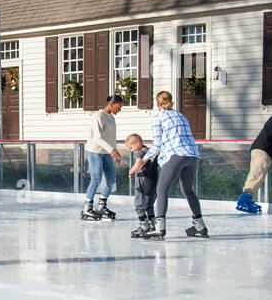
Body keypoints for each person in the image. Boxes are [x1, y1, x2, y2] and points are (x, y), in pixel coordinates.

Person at [128, 90, 206, 240]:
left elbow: (157, 145)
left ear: (157, 104)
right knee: (187, 189)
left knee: (161, 189)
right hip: (193, 155)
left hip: (176, 154)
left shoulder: (158, 117)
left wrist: (145, 160)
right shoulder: (181, 115)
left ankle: (159, 227)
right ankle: (200, 224)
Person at [82, 95, 123, 220]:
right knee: (96, 179)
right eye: (119, 106)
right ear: (111, 104)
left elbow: (110, 138)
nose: (120, 109)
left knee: (111, 180)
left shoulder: (111, 117)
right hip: (95, 151)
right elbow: (98, 138)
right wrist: (112, 150)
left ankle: (102, 205)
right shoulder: (98, 116)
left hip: (106, 152)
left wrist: (115, 152)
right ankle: (87, 208)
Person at [124, 133, 158, 238]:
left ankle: (144, 226)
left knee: (139, 206)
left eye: (131, 147)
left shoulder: (140, 153)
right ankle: (153, 226)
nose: (131, 150)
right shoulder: (151, 152)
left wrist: (130, 172)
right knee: (149, 205)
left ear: (138, 143)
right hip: (153, 182)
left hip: (143, 182)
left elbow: (138, 164)